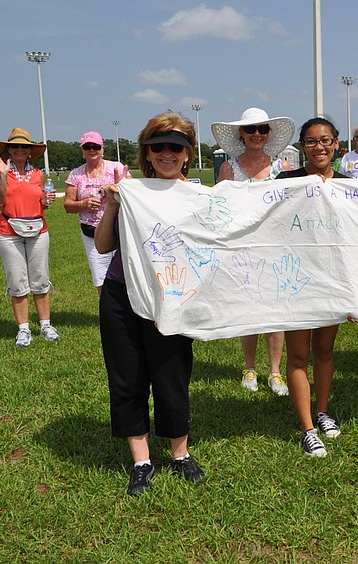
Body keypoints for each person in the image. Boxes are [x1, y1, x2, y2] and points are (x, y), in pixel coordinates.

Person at [96, 111, 205, 496]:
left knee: (172, 373)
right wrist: (112, 205)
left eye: (175, 146)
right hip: (120, 295)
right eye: (157, 146)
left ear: (188, 153)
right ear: (146, 152)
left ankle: (180, 453)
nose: (166, 153)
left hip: (172, 298)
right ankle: (141, 461)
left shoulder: (199, 198)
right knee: (127, 375)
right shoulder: (131, 191)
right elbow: (104, 246)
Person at [274, 116, 350, 457]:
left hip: (333, 280)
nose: (318, 147)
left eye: (325, 140)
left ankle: (322, 411)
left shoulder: (351, 185)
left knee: (324, 351)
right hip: (295, 281)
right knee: (299, 355)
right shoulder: (285, 181)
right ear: (302, 147)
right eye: (310, 141)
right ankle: (307, 427)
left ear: (336, 144)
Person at [211, 107, 295, 396]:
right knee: (249, 311)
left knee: (276, 313)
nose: (257, 135)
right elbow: (217, 209)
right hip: (242, 248)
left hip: (274, 246)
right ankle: (249, 368)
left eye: (262, 129)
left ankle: (275, 372)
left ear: (269, 134)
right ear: (241, 135)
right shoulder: (227, 169)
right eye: (251, 130)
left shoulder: (282, 169)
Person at [0, 128, 59, 347]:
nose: (19, 150)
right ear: (8, 150)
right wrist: (2, 175)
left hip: (37, 229)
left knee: (40, 277)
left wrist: (47, 202)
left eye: (24, 146)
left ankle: (46, 325)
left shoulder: (38, 174)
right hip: (8, 231)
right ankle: (23, 329)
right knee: (17, 280)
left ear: (30, 151)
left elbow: (41, 205)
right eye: (15, 146)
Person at [63, 131, 128, 295]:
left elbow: (133, 191)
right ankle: (107, 313)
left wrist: (118, 186)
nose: (92, 150)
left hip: (119, 231)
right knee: (100, 278)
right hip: (91, 233)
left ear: (102, 148)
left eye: (96, 146)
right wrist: (83, 204)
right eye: (87, 147)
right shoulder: (76, 174)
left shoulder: (116, 168)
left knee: (125, 276)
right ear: (82, 150)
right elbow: (68, 205)